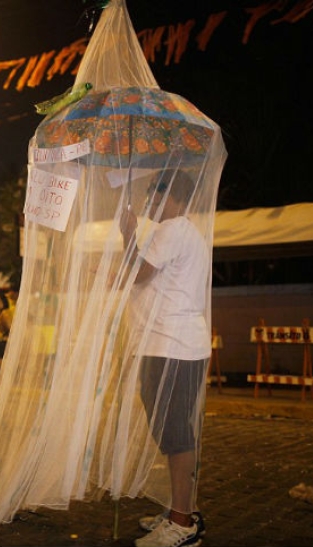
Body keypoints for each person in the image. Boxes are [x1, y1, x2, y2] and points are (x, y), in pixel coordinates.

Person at [120, 170, 210, 547]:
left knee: (175, 433)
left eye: (154, 192)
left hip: (172, 344)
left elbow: (139, 274)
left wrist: (128, 232)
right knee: (168, 430)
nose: (148, 200)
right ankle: (180, 508)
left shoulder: (172, 229)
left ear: (172, 194)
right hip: (166, 344)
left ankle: (183, 523)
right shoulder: (180, 232)